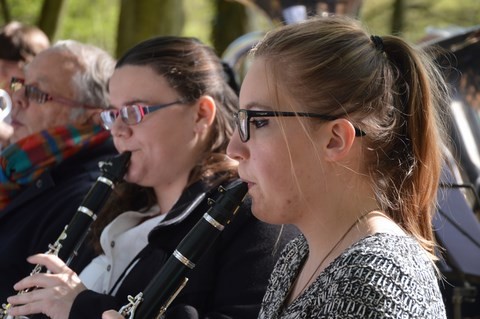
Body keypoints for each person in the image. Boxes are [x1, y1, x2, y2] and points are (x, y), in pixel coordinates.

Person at [6, 36, 298, 319]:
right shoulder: (115, 205)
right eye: (113, 113)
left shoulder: (248, 215)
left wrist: (81, 307)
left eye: (134, 111)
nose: (119, 129)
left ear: (200, 114)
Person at [224, 16, 449, 318]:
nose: (233, 149)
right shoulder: (299, 254)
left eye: (259, 121)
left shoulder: (373, 281)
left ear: (335, 140)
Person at [0, 40, 117, 304]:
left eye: (37, 93)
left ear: (90, 117)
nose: (17, 97)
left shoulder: (92, 193)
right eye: (20, 84)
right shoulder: (23, 168)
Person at [0, 21, 50, 146]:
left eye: (7, 67)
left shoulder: (44, 105)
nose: (1, 73)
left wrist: (6, 135)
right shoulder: (5, 94)